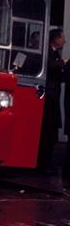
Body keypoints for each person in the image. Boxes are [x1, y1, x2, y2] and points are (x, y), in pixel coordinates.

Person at [39, 28, 65, 171]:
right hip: (48, 97)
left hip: (53, 96)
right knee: (48, 131)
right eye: (62, 38)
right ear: (55, 38)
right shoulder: (49, 53)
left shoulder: (55, 53)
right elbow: (50, 65)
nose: (64, 41)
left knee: (52, 131)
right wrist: (64, 63)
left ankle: (46, 161)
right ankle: (43, 162)